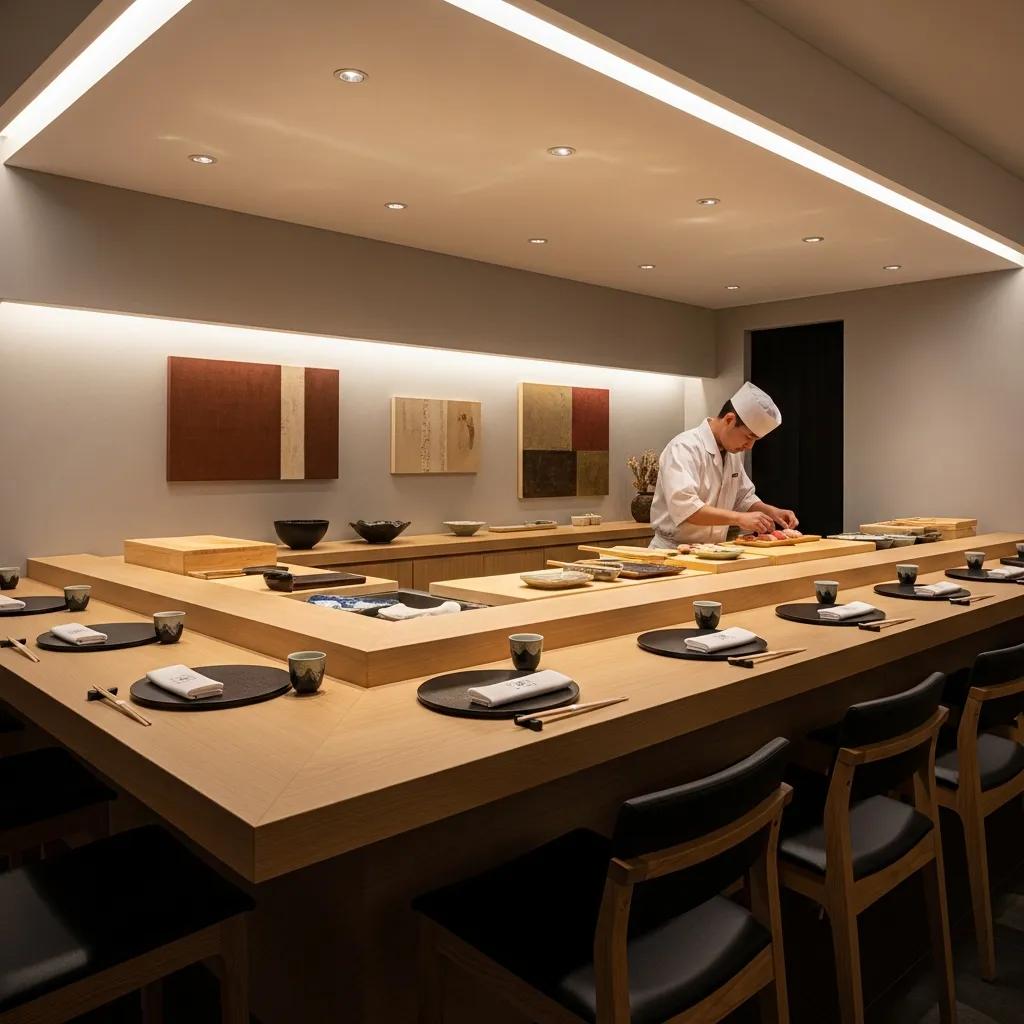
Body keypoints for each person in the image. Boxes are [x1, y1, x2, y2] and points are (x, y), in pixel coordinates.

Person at [649, 381, 798, 549]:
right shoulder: (684, 447)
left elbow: (743, 497)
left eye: (755, 440)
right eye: (748, 437)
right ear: (729, 420)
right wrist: (738, 518)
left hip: (712, 550)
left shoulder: (731, 454)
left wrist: (771, 511)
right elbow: (686, 508)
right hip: (672, 550)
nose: (750, 446)